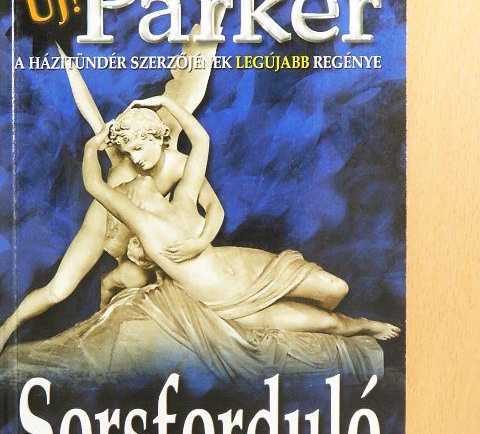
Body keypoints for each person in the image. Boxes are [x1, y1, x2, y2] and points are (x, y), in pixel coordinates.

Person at [79, 94, 401, 341]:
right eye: (128, 178)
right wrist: (92, 147)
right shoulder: (142, 223)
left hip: (246, 268)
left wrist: (166, 102)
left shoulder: (183, 199)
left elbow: (201, 141)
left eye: (136, 153)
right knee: (330, 323)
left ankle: (331, 312)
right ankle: (363, 326)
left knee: (336, 289)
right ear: (130, 200)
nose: (135, 169)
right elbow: (94, 184)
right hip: (227, 303)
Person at [0, 105, 225, 352]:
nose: (135, 159)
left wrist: (201, 241)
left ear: (158, 137)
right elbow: (97, 192)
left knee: (142, 280)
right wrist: (92, 145)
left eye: (138, 149)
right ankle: (8, 327)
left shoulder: (181, 164)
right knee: (58, 290)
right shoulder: (123, 170)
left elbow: (214, 207)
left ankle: (108, 297)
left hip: (135, 228)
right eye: (128, 152)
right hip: (100, 225)